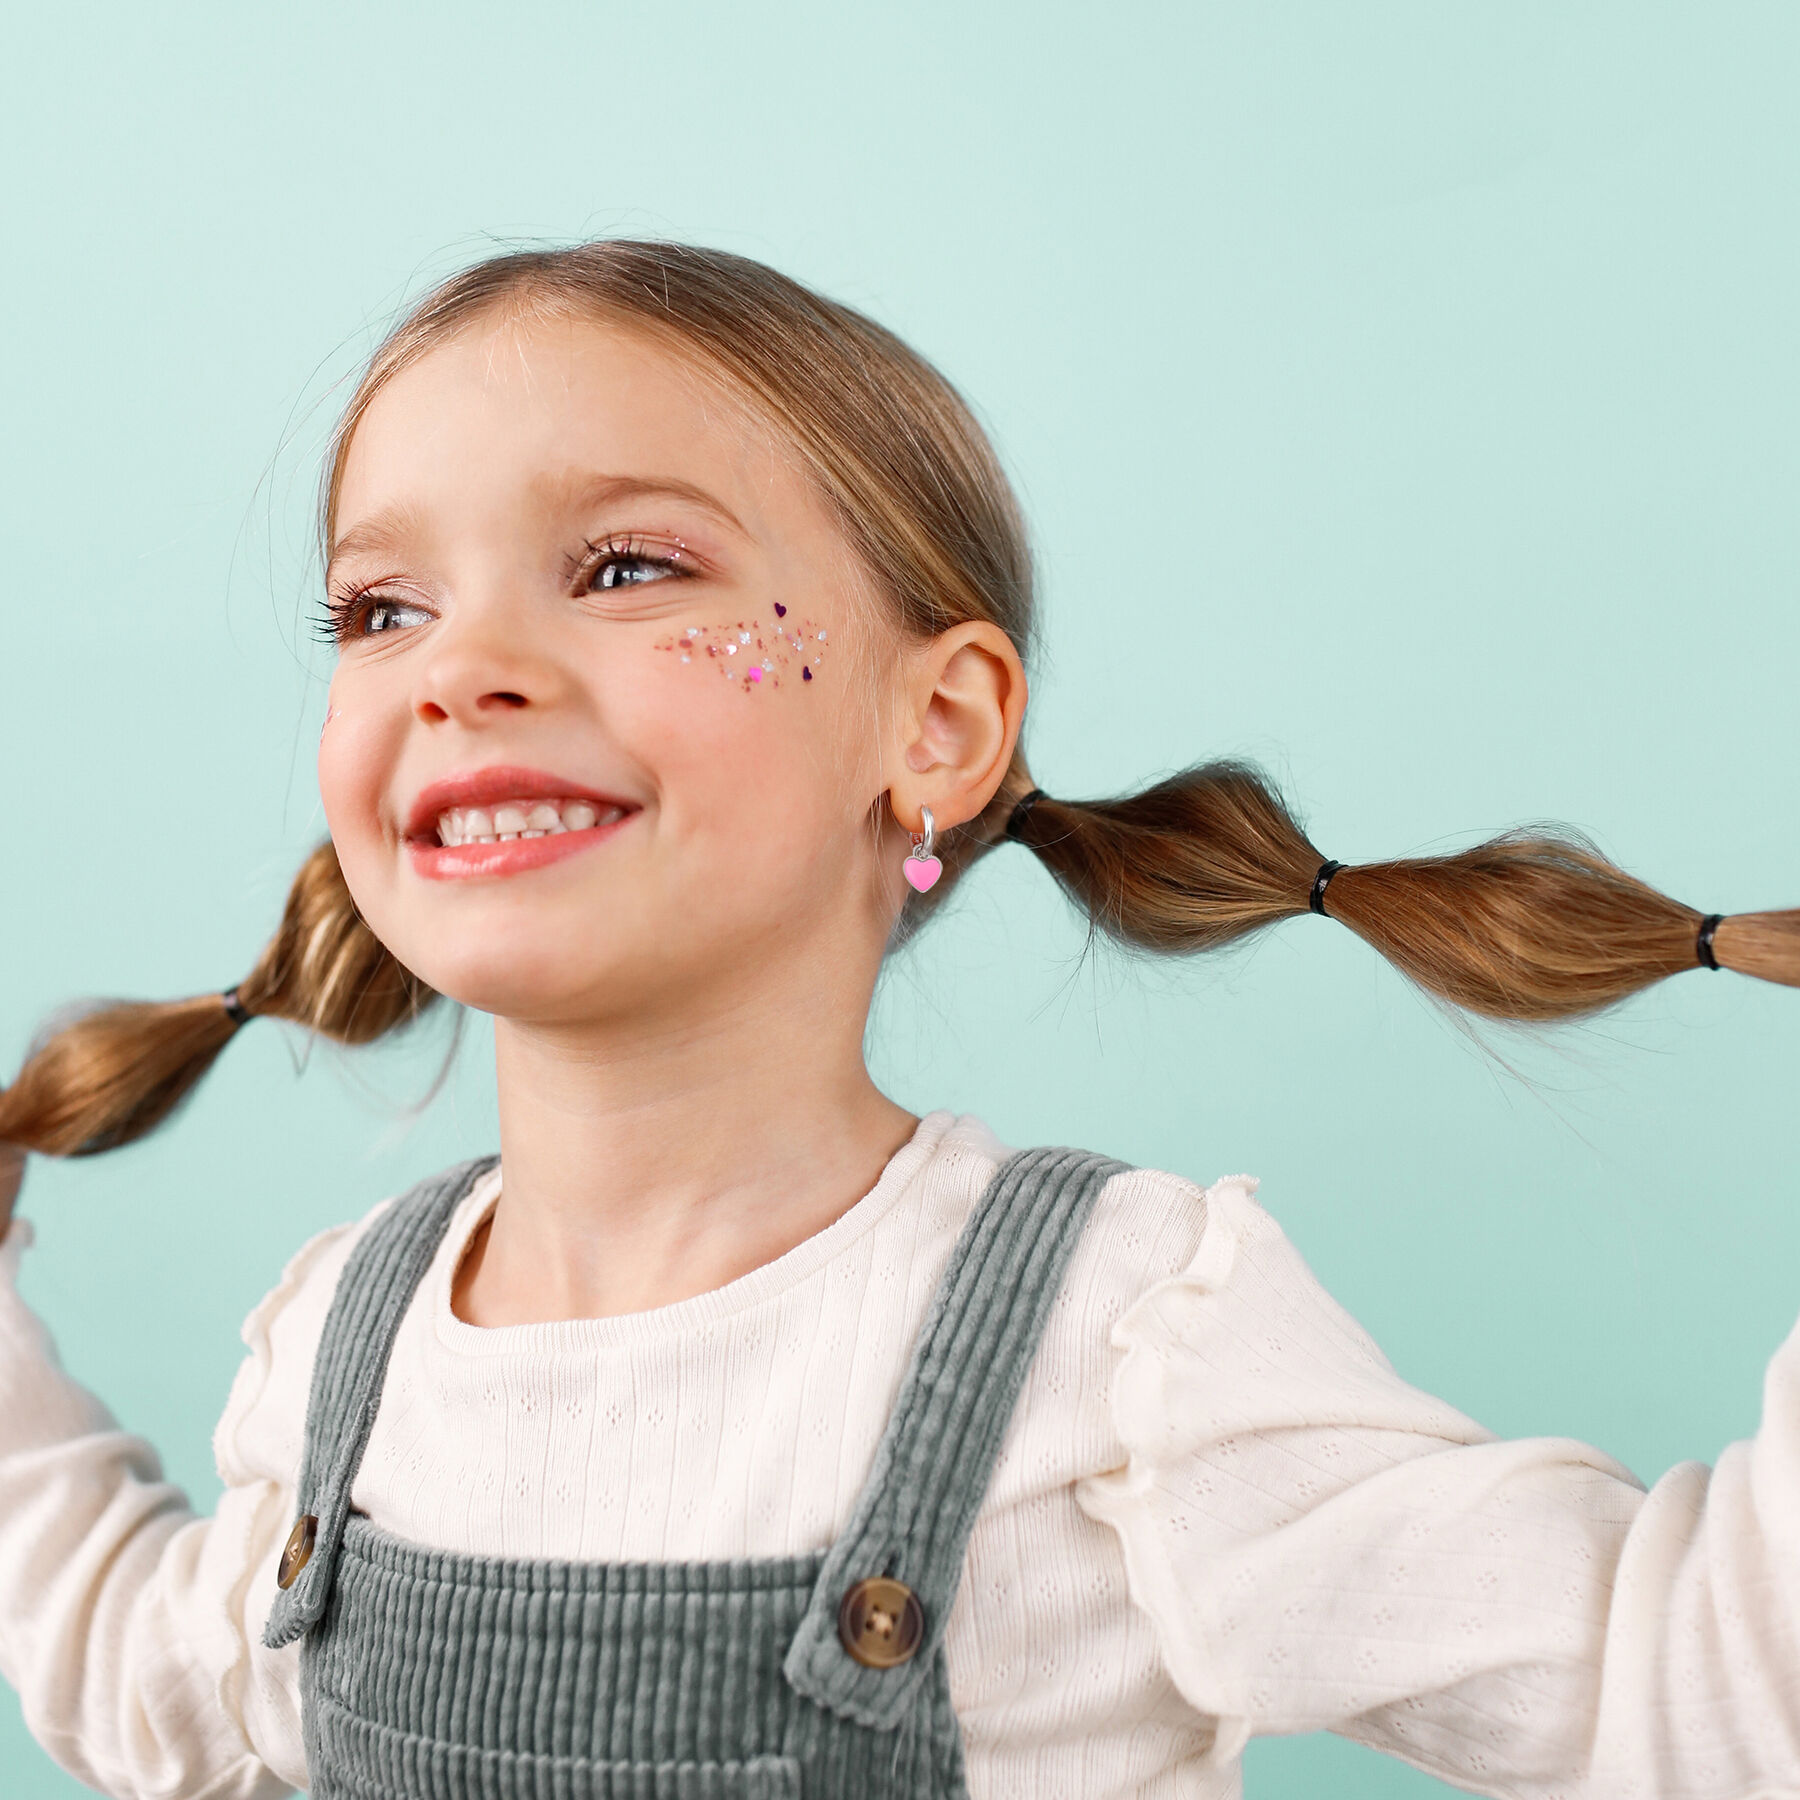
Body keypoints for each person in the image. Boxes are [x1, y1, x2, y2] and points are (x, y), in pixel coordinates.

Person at [1, 241, 1796, 1800]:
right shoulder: (343, 1341)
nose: (459, 670)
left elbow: (1705, 1688)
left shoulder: (1117, 1341)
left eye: (626, 569)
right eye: (382, 607)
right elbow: (134, 1679)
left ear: (936, 729)